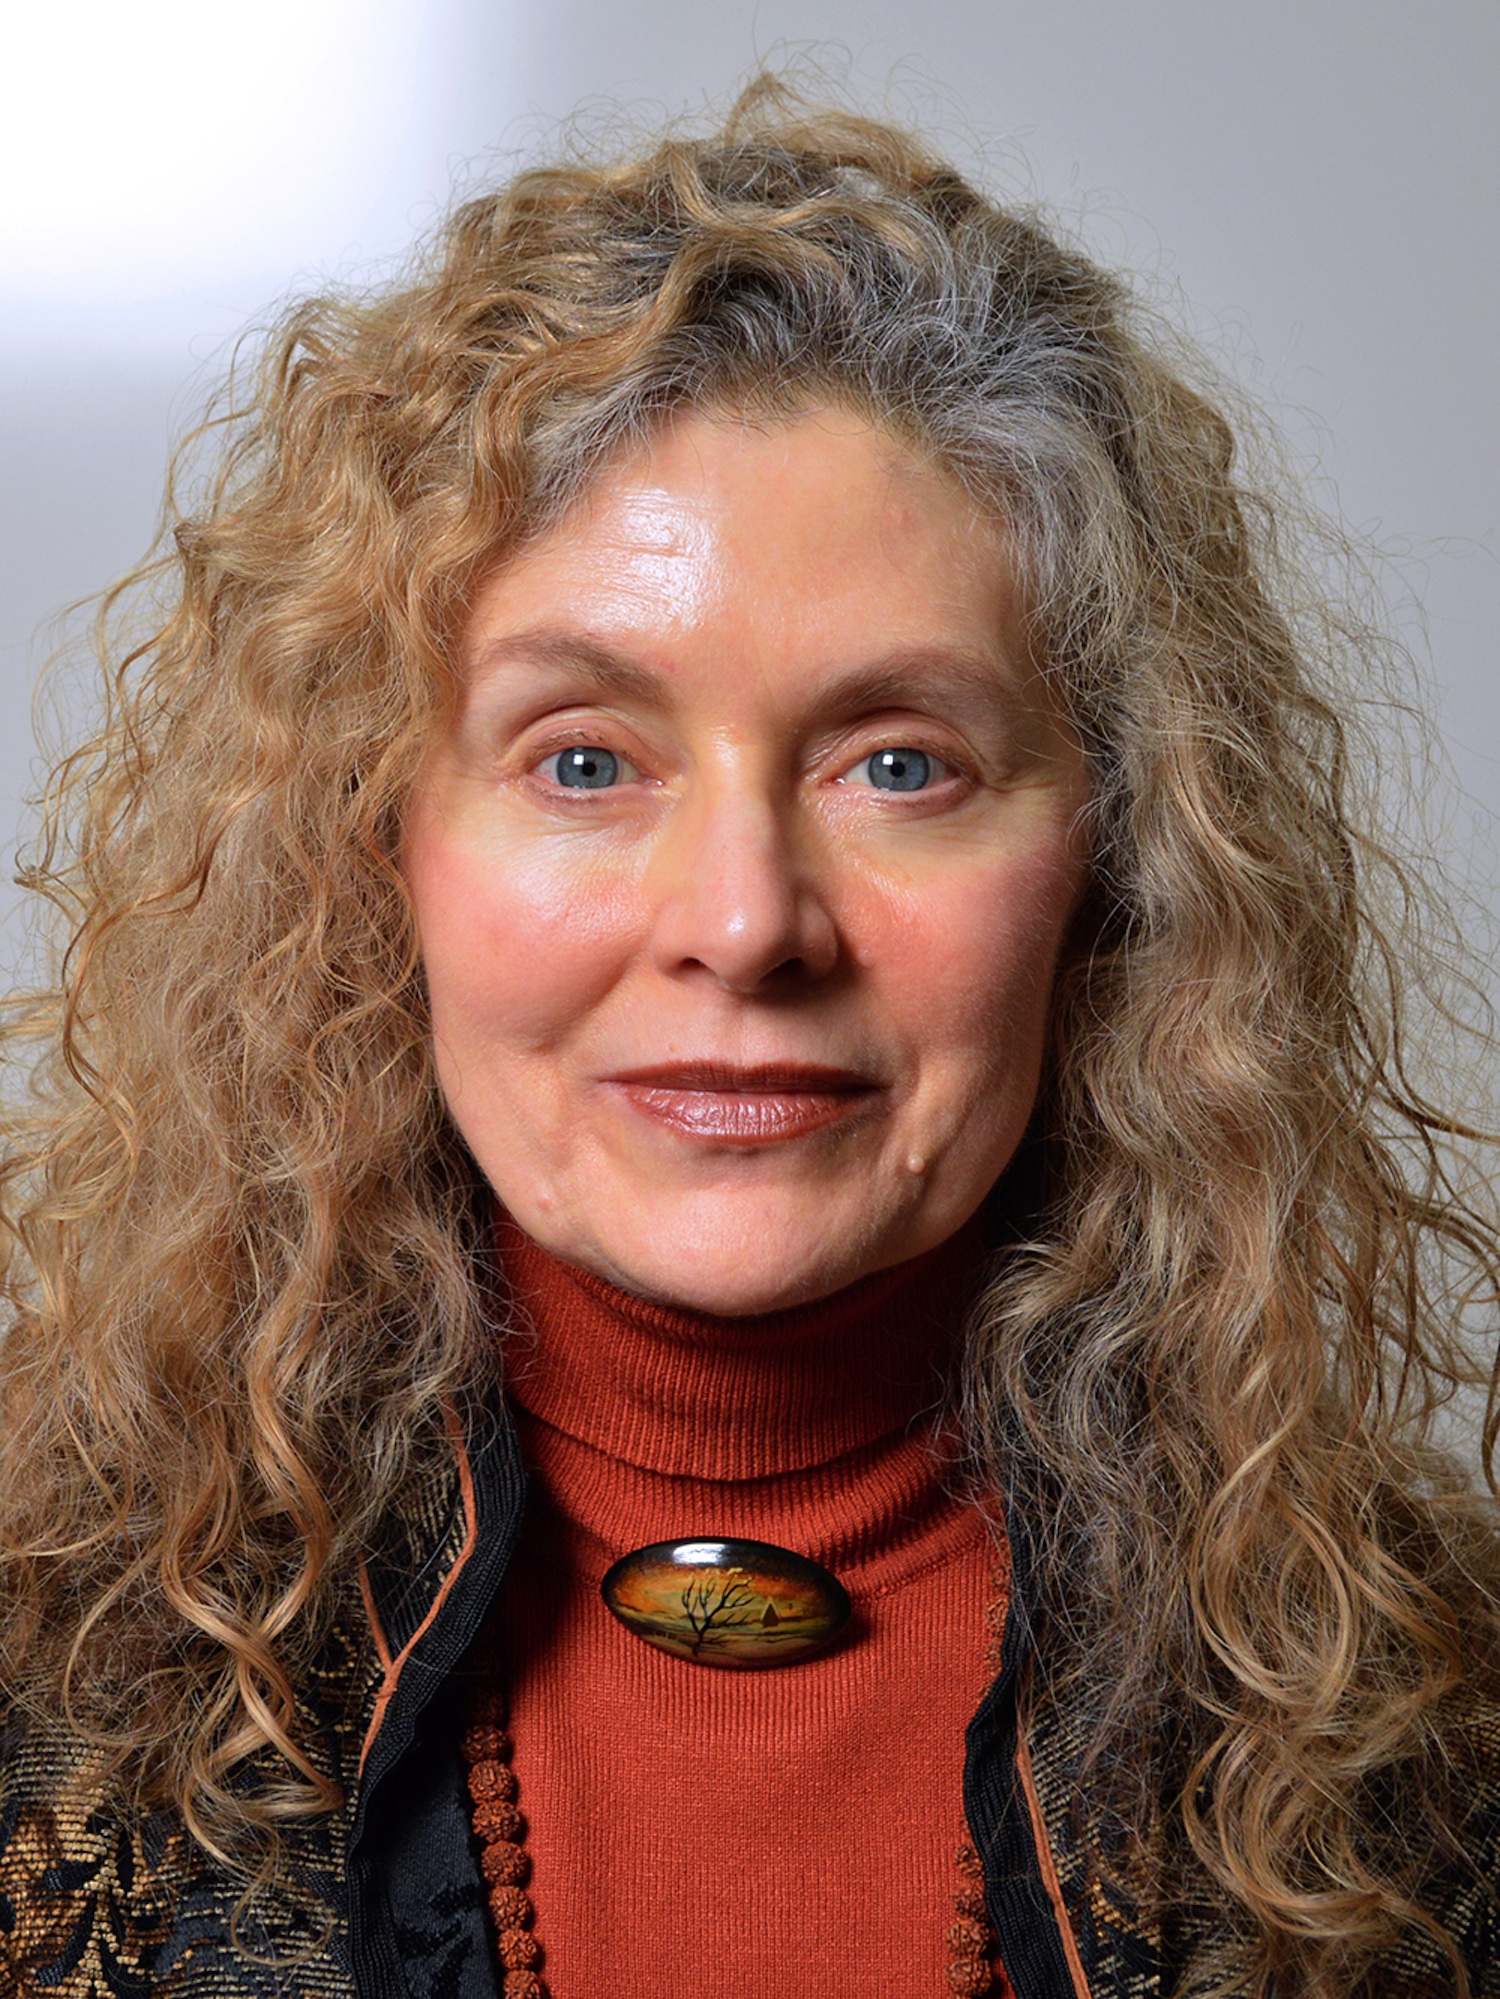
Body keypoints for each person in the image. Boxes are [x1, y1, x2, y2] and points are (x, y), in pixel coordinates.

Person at [2, 79, 1498, 1999]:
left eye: (900, 764)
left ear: (1114, 864)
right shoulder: (43, 1686)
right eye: (584, 761)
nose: (743, 922)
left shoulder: (1443, 1757)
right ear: (378, 850)